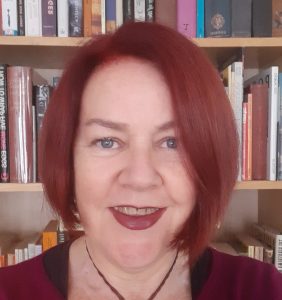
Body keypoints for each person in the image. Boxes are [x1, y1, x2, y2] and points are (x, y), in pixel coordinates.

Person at [0, 21, 281, 300]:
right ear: (68, 160)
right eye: (107, 141)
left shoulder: (261, 289)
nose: (140, 178)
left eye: (173, 143)